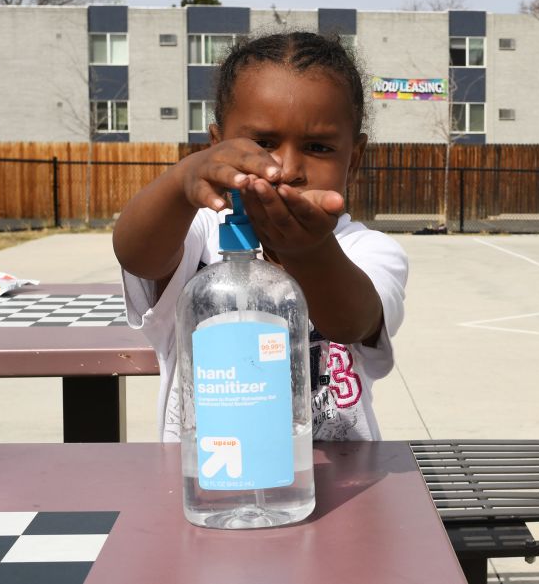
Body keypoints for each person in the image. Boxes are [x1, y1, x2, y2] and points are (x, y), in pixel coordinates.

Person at [113, 32, 409, 442]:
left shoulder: (367, 249)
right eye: (263, 143)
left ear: (353, 159)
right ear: (217, 146)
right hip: (213, 482)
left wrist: (306, 251)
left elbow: (353, 321)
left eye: (319, 147)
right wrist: (183, 181)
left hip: (342, 484)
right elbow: (138, 255)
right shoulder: (199, 233)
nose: (285, 168)